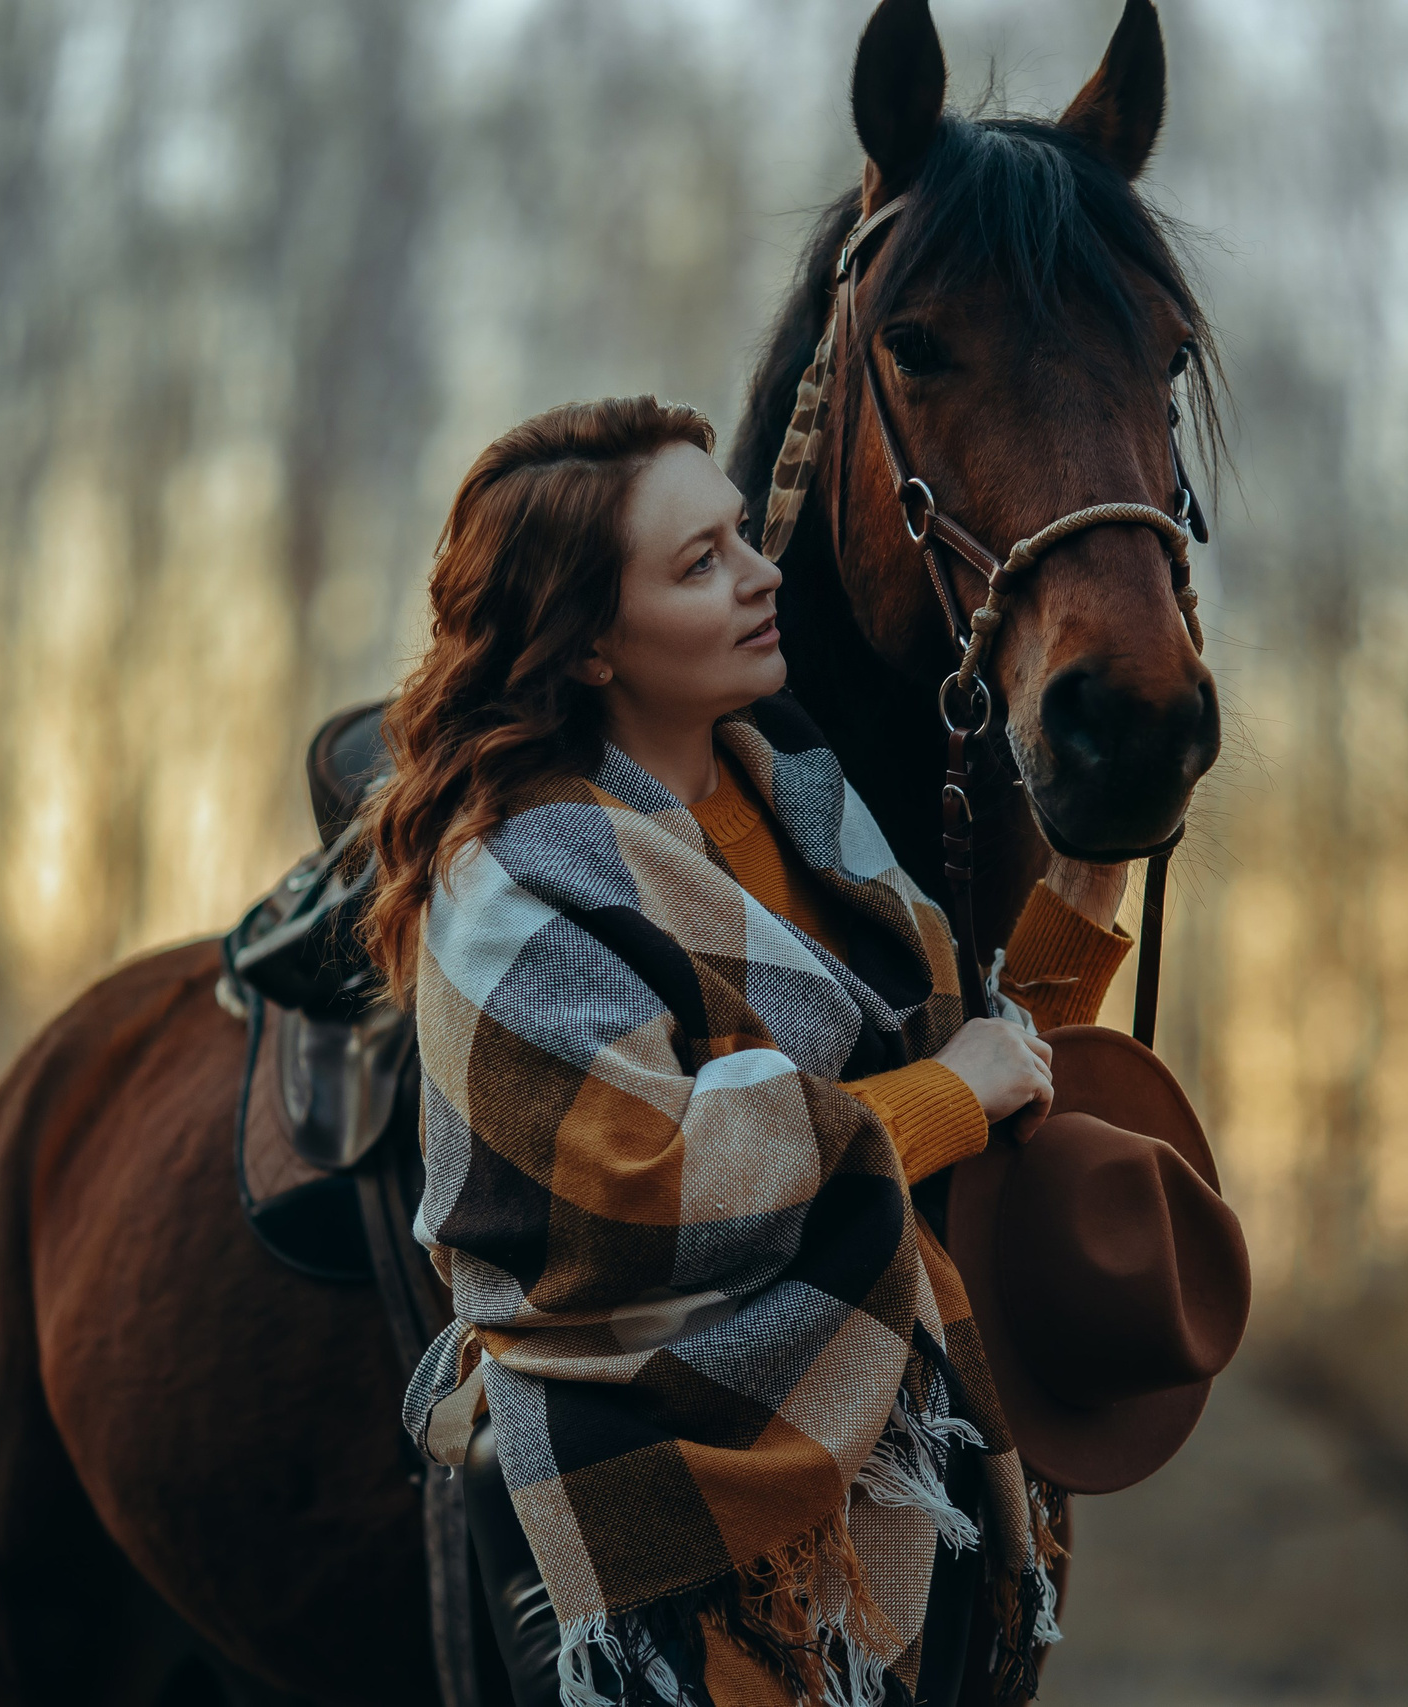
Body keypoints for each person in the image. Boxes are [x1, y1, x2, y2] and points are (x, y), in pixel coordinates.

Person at [360, 396, 1137, 1707]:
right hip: (692, 1491)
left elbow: (972, 1052)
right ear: (588, 644)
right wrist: (943, 1098)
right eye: (699, 563)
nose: (760, 575)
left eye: (740, 535)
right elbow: (648, 1174)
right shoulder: (511, 887)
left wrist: (1086, 885)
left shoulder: (793, 779)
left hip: (902, 1430)